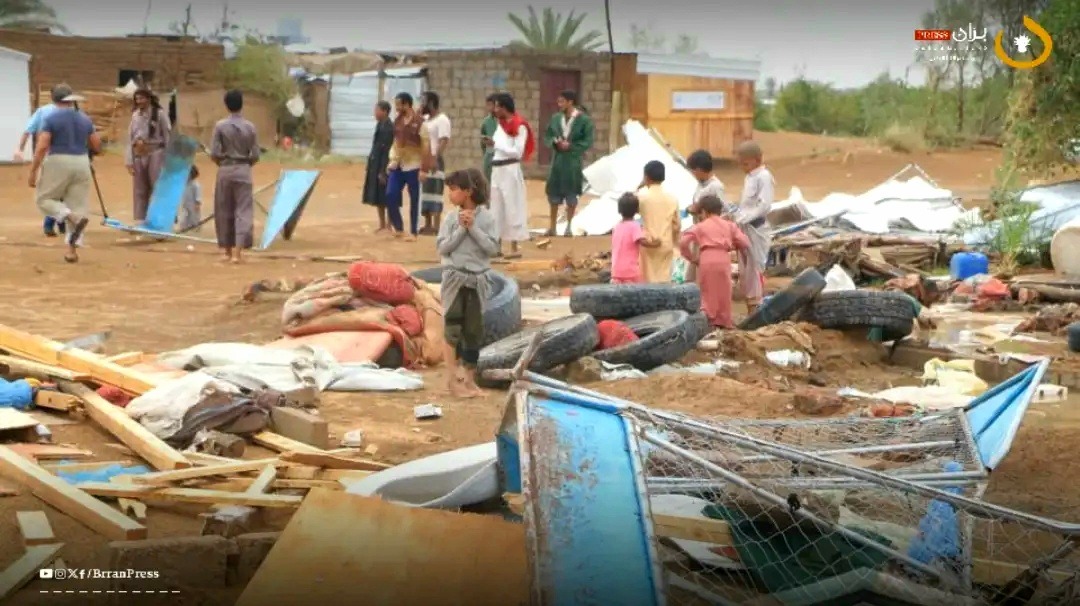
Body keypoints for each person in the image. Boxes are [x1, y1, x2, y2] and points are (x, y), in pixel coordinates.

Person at [436, 168, 500, 398]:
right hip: (455, 279)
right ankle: (453, 381)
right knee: (452, 329)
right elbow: (443, 247)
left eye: (454, 190)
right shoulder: (451, 218)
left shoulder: (487, 219)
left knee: (473, 332)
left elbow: (492, 248)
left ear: (468, 191)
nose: (450, 195)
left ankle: (470, 381)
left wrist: (473, 228)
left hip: (478, 280)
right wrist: (461, 230)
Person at [27, 84, 99, 263]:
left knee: (44, 199)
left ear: (53, 99)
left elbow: (43, 145)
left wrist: (33, 170)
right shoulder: (84, 118)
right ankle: (72, 250)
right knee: (78, 205)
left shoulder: (51, 118)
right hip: (82, 161)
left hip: (58, 159)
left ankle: (66, 215)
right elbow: (96, 145)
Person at [680, 195, 749, 329]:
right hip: (724, 258)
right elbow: (745, 242)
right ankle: (724, 321)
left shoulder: (700, 226)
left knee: (707, 292)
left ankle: (709, 321)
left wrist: (692, 258)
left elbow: (683, 242)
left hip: (706, 257)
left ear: (704, 212)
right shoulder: (729, 225)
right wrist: (732, 245)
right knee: (724, 291)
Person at [210, 89, 260, 264]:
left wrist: (223, 162)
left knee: (223, 209)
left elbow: (214, 152)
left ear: (226, 105)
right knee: (243, 210)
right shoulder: (250, 127)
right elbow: (255, 154)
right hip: (244, 169)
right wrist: (245, 164)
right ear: (241, 104)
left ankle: (227, 251)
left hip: (225, 169)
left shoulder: (220, 126)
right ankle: (238, 253)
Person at [486, 92, 534, 259]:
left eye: (498, 106)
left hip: (510, 169)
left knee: (512, 206)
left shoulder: (519, 126)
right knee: (496, 208)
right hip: (497, 169)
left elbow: (518, 152)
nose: (495, 109)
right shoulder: (500, 125)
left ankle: (515, 248)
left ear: (505, 107)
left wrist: (496, 145)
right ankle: (496, 245)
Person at [543, 89, 594, 237]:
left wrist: (571, 146)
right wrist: (555, 142)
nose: (559, 104)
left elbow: (587, 140)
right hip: (558, 161)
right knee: (553, 193)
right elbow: (548, 134)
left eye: (562, 101)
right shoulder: (555, 118)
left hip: (573, 161)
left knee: (572, 195)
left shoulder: (584, 120)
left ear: (570, 102)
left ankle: (569, 227)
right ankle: (552, 227)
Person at [733, 141, 775, 315]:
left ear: (757, 160)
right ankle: (751, 307)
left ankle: (757, 310)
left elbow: (764, 206)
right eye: (741, 163)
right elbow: (746, 204)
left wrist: (745, 217)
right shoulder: (749, 177)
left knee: (755, 268)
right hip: (744, 228)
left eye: (746, 163)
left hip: (756, 229)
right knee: (746, 270)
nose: (743, 167)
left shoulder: (764, 177)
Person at [16, 98, 66, 237]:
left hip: (49, 156)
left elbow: (28, 130)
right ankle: (55, 222)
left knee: (53, 191)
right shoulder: (71, 112)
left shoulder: (43, 111)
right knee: (59, 191)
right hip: (61, 155)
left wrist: (20, 149)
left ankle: (58, 222)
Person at [125, 87, 172, 224]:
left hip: (155, 153)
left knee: (157, 186)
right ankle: (141, 219)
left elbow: (167, 136)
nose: (139, 101)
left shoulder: (159, 114)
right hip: (139, 155)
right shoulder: (135, 116)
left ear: (149, 99)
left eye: (142, 98)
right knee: (140, 188)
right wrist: (129, 160)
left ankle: (160, 218)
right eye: (137, 99)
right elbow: (130, 138)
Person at [385, 92, 428, 241]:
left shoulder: (421, 123)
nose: (396, 108)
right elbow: (396, 142)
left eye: (398, 104)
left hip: (414, 165)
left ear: (407, 104)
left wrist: (424, 169)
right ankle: (398, 227)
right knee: (390, 194)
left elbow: (426, 147)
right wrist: (393, 159)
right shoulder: (397, 121)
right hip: (398, 164)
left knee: (414, 198)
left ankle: (414, 232)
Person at [684, 149, 727, 283]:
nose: (693, 173)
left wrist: (699, 209)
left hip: (709, 232)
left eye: (694, 170)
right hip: (699, 229)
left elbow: (722, 208)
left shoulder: (716, 186)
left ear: (700, 169)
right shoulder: (700, 185)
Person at [636, 160, 680, 283]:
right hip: (666, 243)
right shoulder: (672, 198)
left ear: (646, 177)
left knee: (648, 279)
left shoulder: (641, 197)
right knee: (664, 278)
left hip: (648, 243)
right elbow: (676, 225)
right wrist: (675, 242)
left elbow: (629, 207)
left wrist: (638, 188)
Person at [420, 91, 452, 236]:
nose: (422, 104)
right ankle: (427, 224)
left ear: (432, 103)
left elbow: (444, 140)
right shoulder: (425, 120)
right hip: (425, 158)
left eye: (424, 101)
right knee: (426, 192)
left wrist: (435, 157)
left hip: (435, 158)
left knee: (436, 190)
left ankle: (437, 225)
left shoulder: (442, 119)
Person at [610, 193, 656, 284]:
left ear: (619, 210)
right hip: (630, 271)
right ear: (637, 210)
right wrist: (656, 243)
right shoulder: (634, 226)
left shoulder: (617, 227)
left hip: (616, 271)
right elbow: (642, 241)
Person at [362, 101, 394, 232]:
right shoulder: (380, 125)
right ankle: (382, 224)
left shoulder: (388, 127)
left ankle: (389, 224)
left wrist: (382, 171)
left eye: (377, 110)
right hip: (375, 164)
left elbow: (386, 150)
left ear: (385, 111)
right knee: (377, 195)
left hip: (384, 165)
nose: (375, 113)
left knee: (387, 195)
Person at [480, 94, 498, 183]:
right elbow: (482, 139)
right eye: (487, 105)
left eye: (490, 105)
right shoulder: (486, 122)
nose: (488, 107)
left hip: (500, 155)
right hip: (489, 155)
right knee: (488, 181)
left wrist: (495, 143)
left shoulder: (503, 121)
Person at [178, 165, 202, 232]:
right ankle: (183, 227)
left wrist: (197, 203)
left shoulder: (195, 185)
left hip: (193, 205)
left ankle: (196, 227)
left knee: (194, 217)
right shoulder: (184, 184)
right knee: (185, 216)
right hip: (185, 204)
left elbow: (198, 195)